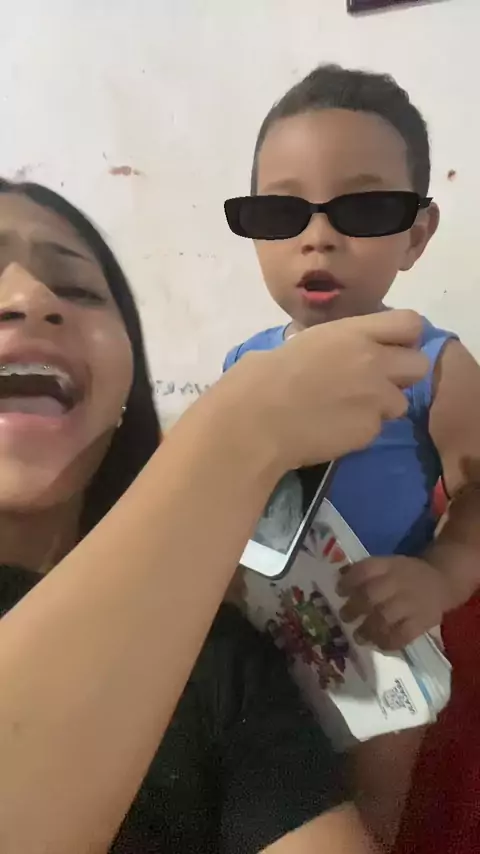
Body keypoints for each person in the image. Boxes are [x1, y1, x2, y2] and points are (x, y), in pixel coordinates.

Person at [0, 178, 428, 853]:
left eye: (77, 290)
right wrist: (231, 440)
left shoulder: (218, 652)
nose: (29, 297)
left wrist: (387, 721)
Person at [223, 63, 480, 844]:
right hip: (260, 634)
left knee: (368, 820)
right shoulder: (245, 364)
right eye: (282, 211)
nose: (317, 236)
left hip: (377, 642)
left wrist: (440, 574)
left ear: (417, 234)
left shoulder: (434, 364)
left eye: (363, 208)